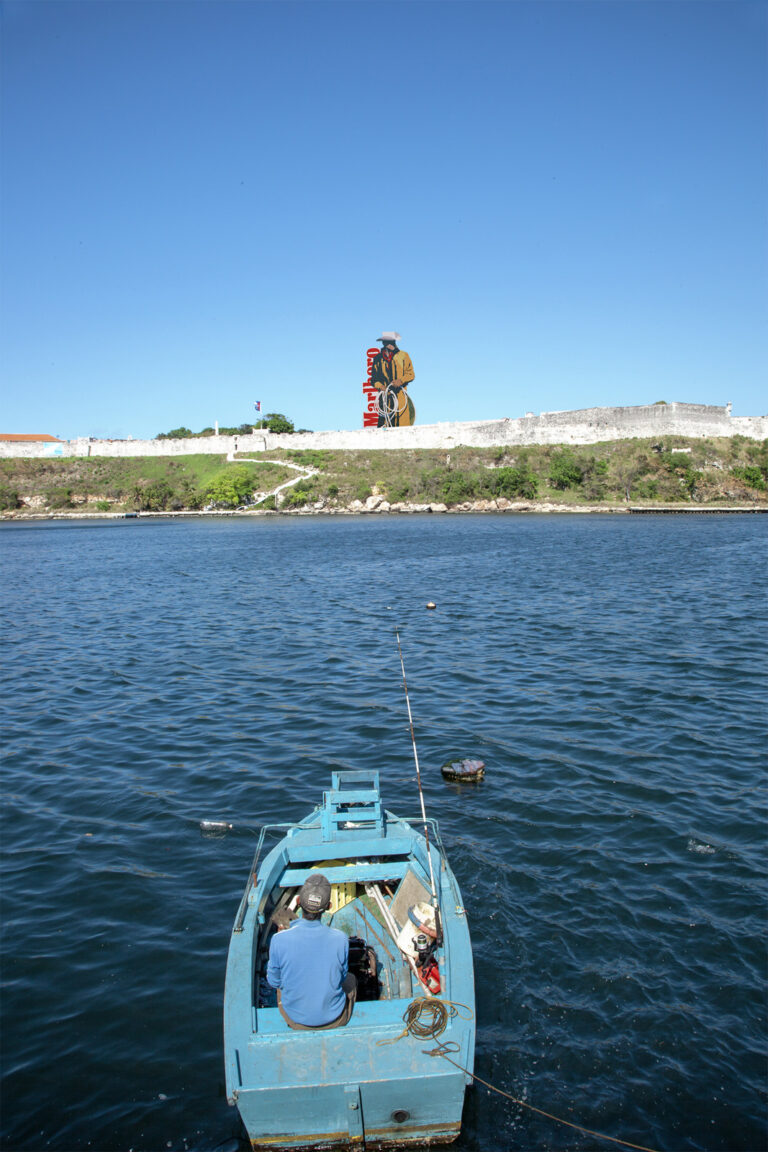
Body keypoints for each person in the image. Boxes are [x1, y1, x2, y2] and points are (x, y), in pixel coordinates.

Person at [266, 874, 356, 1030]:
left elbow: (274, 981)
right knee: (351, 979)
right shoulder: (340, 939)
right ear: (329, 906)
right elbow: (341, 978)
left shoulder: (278, 940)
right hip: (335, 1018)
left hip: (295, 1020)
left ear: (299, 902)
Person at [370, 331, 415, 427]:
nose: (389, 345)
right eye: (387, 342)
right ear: (383, 343)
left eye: (391, 342)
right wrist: (380, 386)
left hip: (400, 396)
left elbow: (410, 374)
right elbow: (374, 379)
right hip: (385, 398)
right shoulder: (377, 358)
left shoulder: (403, 355)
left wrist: (401, 381)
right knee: (384, 426)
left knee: (403, 425)